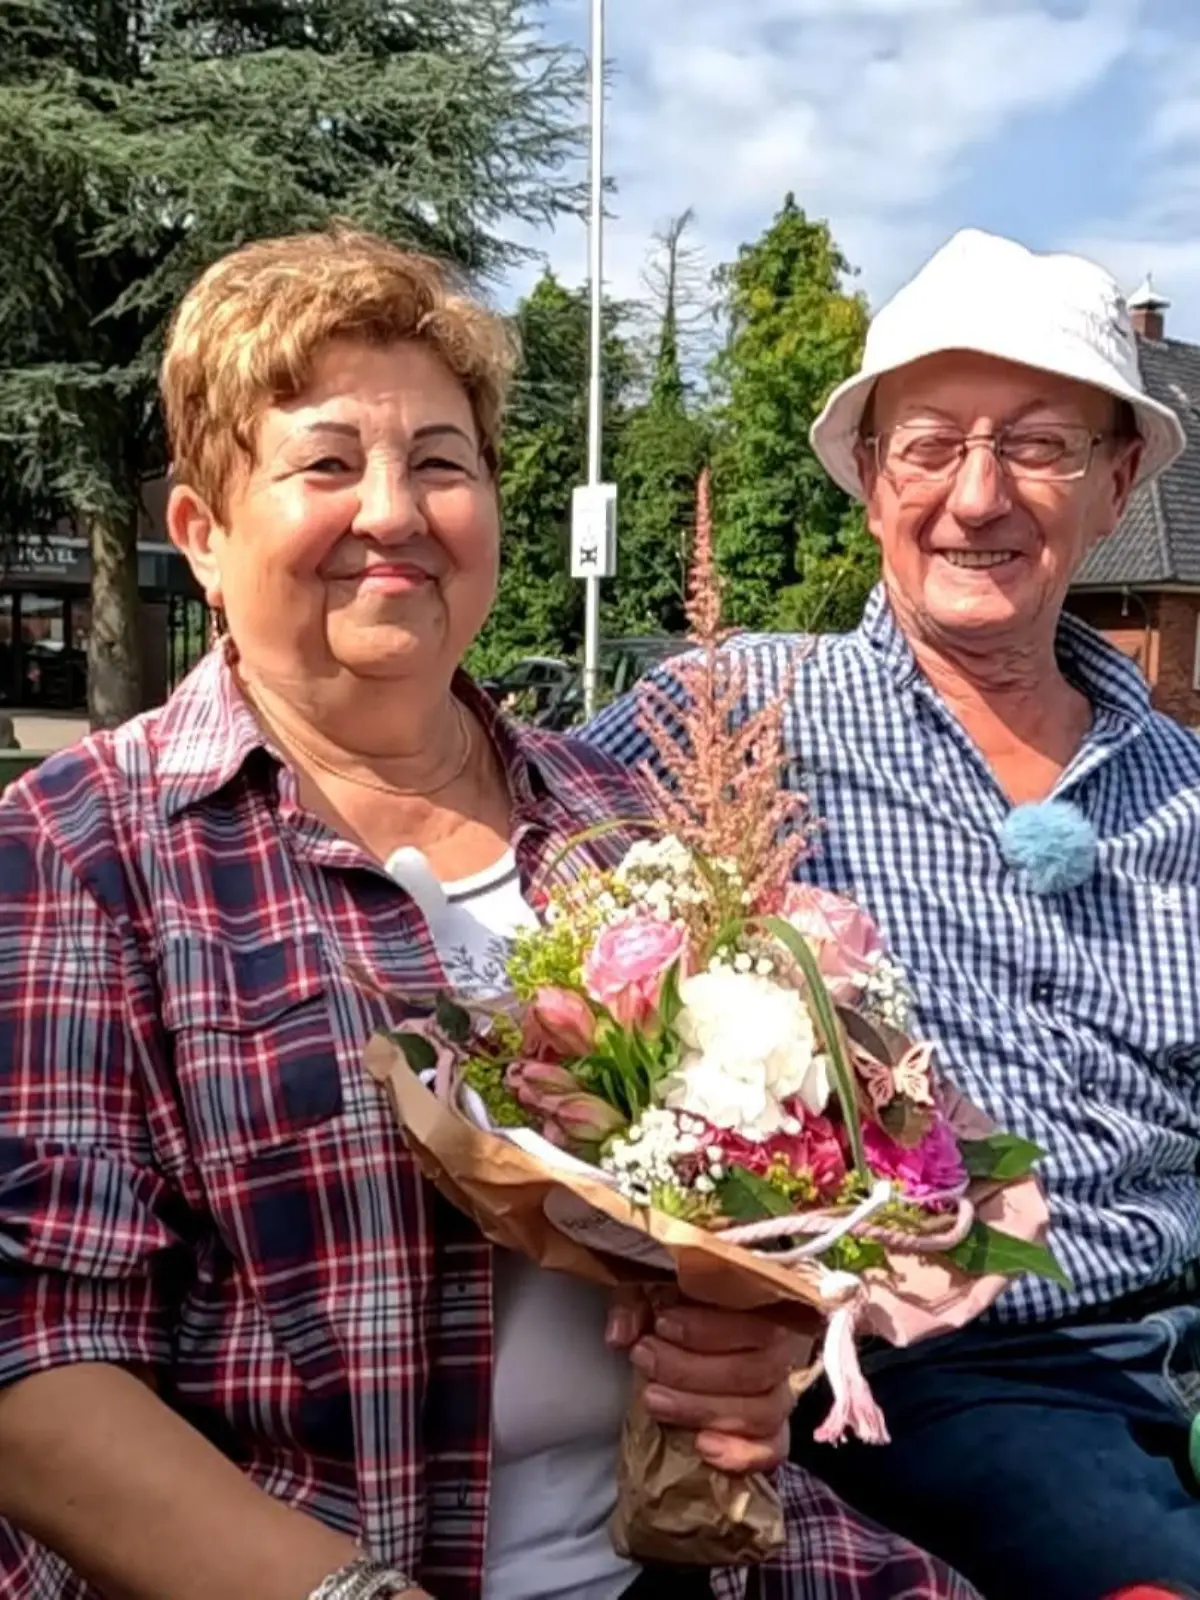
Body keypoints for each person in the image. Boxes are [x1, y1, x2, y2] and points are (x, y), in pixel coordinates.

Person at [0, 228, 975, 1600]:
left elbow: (756, 1207)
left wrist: (757, 1339)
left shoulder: (621, 820)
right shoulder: (79, 853)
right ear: (204, 535)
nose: (393, 510)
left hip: (694, 1558)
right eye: (326, 462)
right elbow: (36, 1378)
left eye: (441, 463)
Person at [585, 228, 1200, 1600]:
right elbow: (489, 841)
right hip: (929, 1367)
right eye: (930, 445)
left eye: (1040, 448)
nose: (977, 496)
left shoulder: (1185, 789)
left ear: (1113, 489)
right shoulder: (737, 714)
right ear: (872, 480)